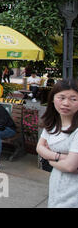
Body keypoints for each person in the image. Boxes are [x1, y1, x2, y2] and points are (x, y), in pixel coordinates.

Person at [36, 79, 78, 208]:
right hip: (57, 181)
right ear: (53, 98)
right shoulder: (52, 124)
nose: (66, 103)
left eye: (73, 99)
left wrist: (50, 159)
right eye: (61, 97)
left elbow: (70, 167)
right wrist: (61, 157)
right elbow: (39, 147)